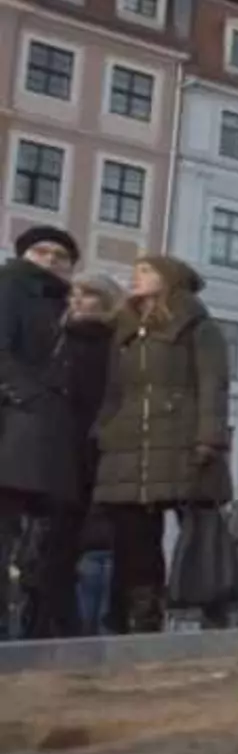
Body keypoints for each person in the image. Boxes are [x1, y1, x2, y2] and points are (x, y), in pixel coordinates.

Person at [93, 256, 234, 634]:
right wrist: (103, 430)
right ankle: (140, 617)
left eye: (146, 271)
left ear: (169, 279)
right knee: (133, 538)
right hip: (128, 445)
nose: (135, 277)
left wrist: (209, 438)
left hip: (181, 438)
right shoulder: (123, 330)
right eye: (135, 269)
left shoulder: (198, 327)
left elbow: (213, 385)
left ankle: (210, 605)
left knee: (198, 530)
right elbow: (112, 390)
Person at [25, 269, 118, 637]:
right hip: (54, 450)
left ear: (106, 302)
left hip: (93, 452)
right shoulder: (57, 340)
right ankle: (48, 622)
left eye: (89, 294)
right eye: (75, 293)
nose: (77, 299)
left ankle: (68, 625)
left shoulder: (113, 346)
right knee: (49, 544)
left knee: (78, 543)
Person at [0, 226, 82, 635]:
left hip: (34, 431)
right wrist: (29, 397)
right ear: (24, 255)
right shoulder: (12, 285)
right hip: (16, 426)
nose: (51, 259)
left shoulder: (59, 304)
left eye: (61, 256)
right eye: (41, 251)